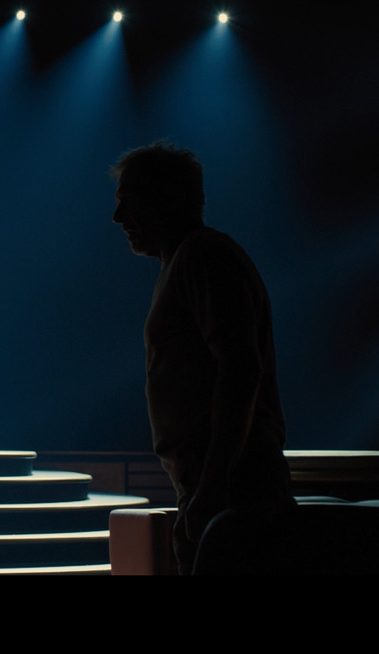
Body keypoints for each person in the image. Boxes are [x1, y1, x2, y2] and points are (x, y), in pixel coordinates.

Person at [111, 142, 292, 574]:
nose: (118, 219)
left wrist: (213, 486)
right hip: (219, 488)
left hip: (233, 492)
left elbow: (241, 369)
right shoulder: (189, 261)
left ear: (166, 199)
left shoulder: (202, 258)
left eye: (128, 203)